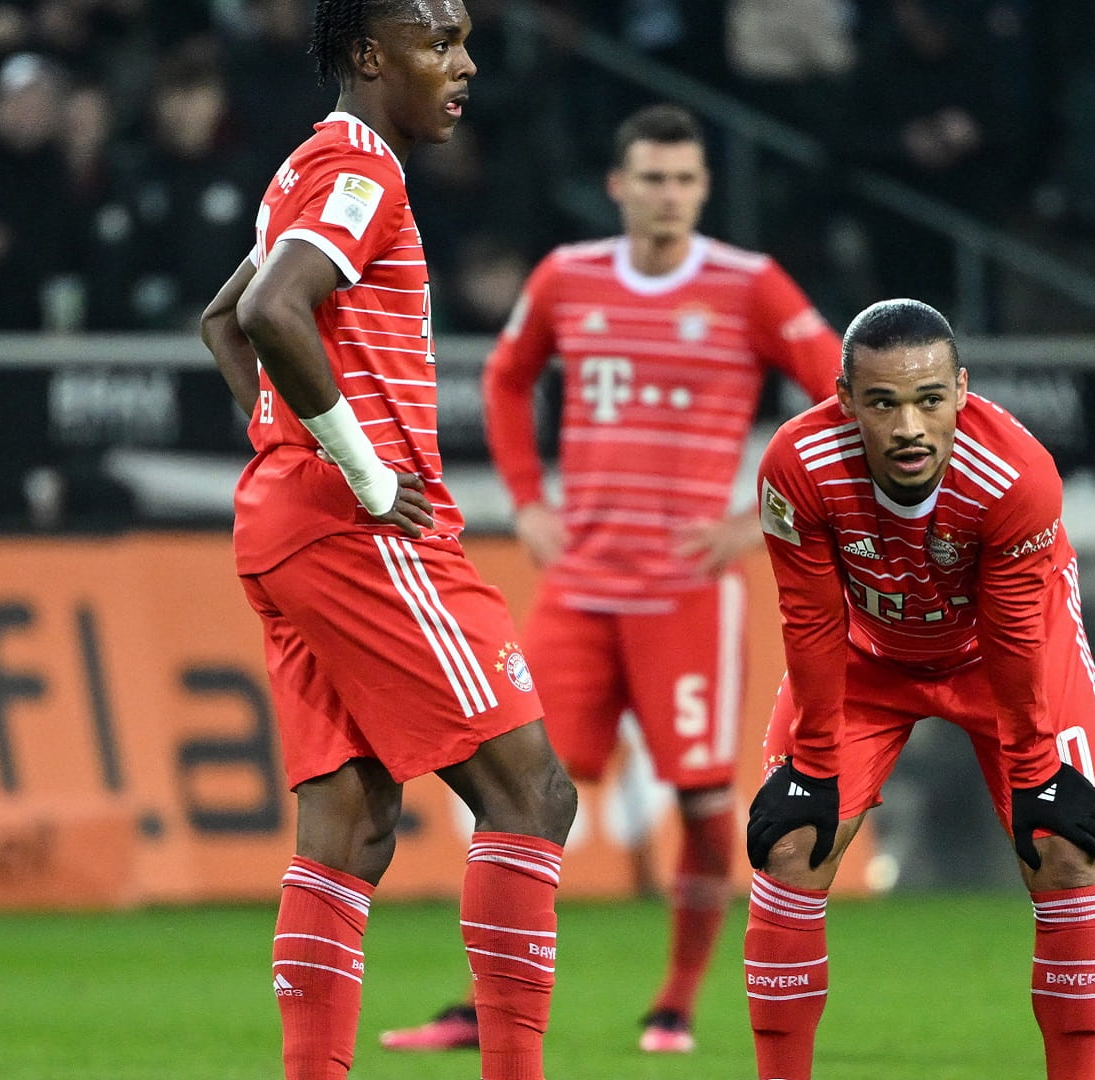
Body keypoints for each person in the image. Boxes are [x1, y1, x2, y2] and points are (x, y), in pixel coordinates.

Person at [379, 102, 841, 1056]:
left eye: (685, 180)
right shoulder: (568, 277)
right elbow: (506, 381)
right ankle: (482, 1007)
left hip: (685, 596)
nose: (668, 196)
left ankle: (674, 1000)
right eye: (652, 179)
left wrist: (761, 520)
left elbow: (844, 393)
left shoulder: (749, 286)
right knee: (515, 791)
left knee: (707, 803)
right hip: (581, 590)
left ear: (704, 190)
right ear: (619, 186)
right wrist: (528, 501)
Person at [195, 3, 576, 1079]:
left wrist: (280, 444)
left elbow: (222, 319)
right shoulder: (363, 165)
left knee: (352, 827)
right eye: (436, 42)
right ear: (369, 55)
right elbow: (271, 310)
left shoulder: (311, 162)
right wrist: (357, 470)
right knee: (530, 793)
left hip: (287, 518)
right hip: (355, 524)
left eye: (464, 42)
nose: (463, 66)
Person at [743, 299, 1095, 1080]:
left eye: (929, 399)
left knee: (1064, 852)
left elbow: (1014, 636)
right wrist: (812, 763)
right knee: (789, 850)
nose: (909, 425)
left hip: (1007, 660)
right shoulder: (795, 465)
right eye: (882, 402)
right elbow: (808, 619)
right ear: (845, 401)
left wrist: (1038, 769)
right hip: (868, 660)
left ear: (962, 391)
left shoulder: (1016, 475)